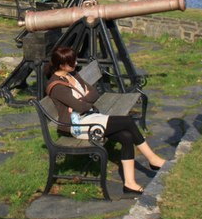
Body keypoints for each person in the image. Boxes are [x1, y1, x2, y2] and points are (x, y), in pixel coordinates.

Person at [45, 46, 165, 194]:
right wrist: (83, 102)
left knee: (126, 136)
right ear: (61, 65)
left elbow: (94, 94)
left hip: (89, 117)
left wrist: (83, 100)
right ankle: (152, 159)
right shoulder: (57, 87)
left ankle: (129, 183)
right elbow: (81, 106)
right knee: (127, 121)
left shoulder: (73, 74)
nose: (75, 63)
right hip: (78, 126)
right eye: (71, 62)